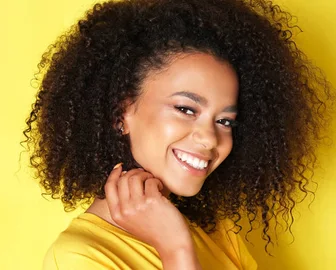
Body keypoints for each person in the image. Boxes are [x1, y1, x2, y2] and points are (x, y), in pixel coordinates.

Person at [22, 0, 332, 269]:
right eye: (186, 109)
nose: (211, 139)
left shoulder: (217, 231)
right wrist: (175, 249)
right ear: (121, 113)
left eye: (225, 121)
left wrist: (178, 239)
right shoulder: (80, 257)